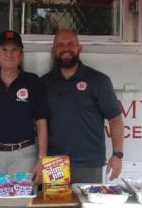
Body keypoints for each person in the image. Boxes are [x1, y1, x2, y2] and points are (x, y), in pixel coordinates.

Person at [0, 30, 50, 192]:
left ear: (21, 54)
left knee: (21, 203)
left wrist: (42, 160)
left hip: (24, 155)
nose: (9, 54)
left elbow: (42, 122)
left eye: (14, 50)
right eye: (4, 50)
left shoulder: (32, 81)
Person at [41, 29, 124, 183]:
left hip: (89, 163)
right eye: (60, 45)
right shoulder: (44, 83)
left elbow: (115, 120)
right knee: (56, 206)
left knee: (86, 205)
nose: (66, 48)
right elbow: (39, 124)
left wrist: (117, 155)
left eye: (70, 44)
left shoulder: (99, 80)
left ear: (79, 48)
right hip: (54, 163)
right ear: (53, 51)